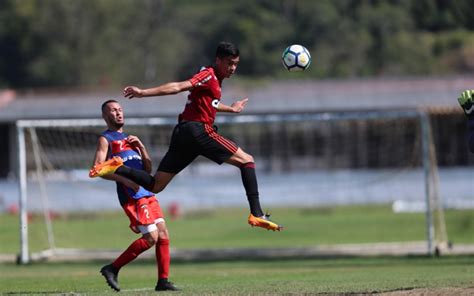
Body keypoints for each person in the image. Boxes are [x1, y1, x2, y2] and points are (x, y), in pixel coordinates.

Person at [90, 41, 282, 231]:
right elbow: (178, 87)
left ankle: (116, 167)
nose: (232, 68)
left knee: (156, 185)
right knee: (247, 160)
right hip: (198, 130)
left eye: (235, 64)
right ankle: (256, 213)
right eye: (229, 63)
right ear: (218, 61)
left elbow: (211, 104)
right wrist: (143, 93)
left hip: (184, 133)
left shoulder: (214, 81)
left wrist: (231, 109)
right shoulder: (208, 74)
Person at [92, 99, 178, 292]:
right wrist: (124, 180)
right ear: (105, 116)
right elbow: (97, 169)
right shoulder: (106, 139)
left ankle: (163, 281)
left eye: (120, 109)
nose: (118, 113)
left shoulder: (131, 139)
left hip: (147, 193)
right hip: (132, 196)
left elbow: (148, 170)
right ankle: (112, 268)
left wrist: (142, 147)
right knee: (151, 238)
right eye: (113, 111)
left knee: (163, 234)